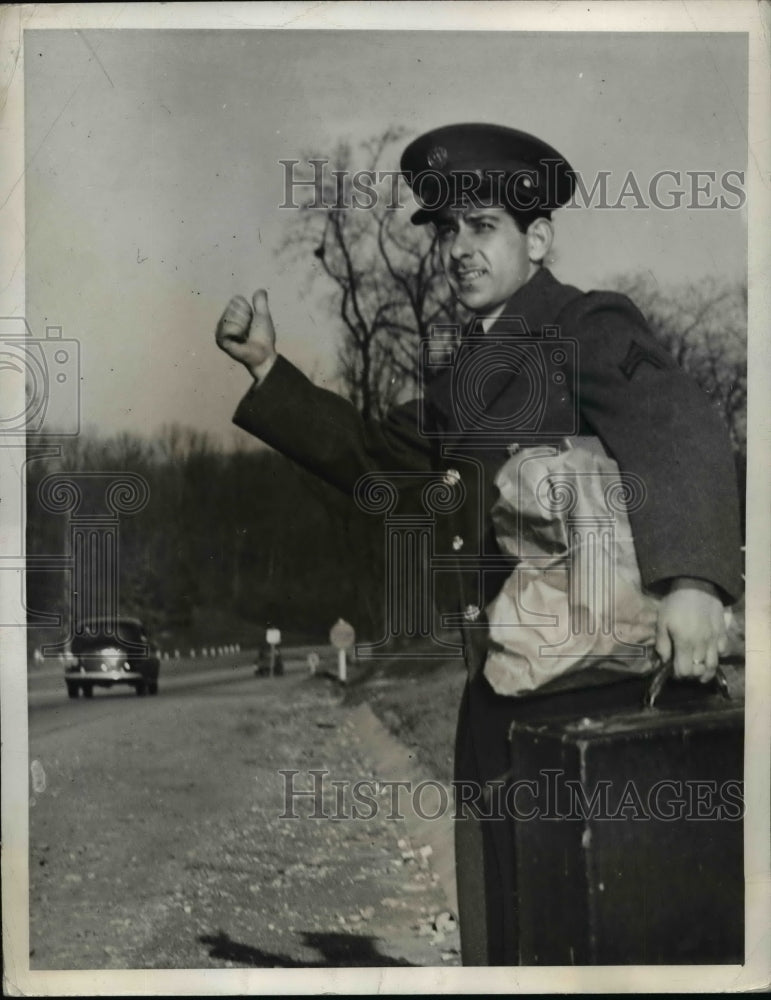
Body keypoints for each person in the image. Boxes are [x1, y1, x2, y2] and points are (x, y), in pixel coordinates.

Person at [215, 123, 743, 965]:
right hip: (497, 691)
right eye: (447, 229)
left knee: (599, 930)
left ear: (537, 238)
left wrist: (694, 584)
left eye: (483, 226)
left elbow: (675, 422)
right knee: (504, 926)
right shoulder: (462, 375)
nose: (459, 248)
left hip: (594, 693)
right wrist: (268, 371)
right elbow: (375, 461)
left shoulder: (587, 324)